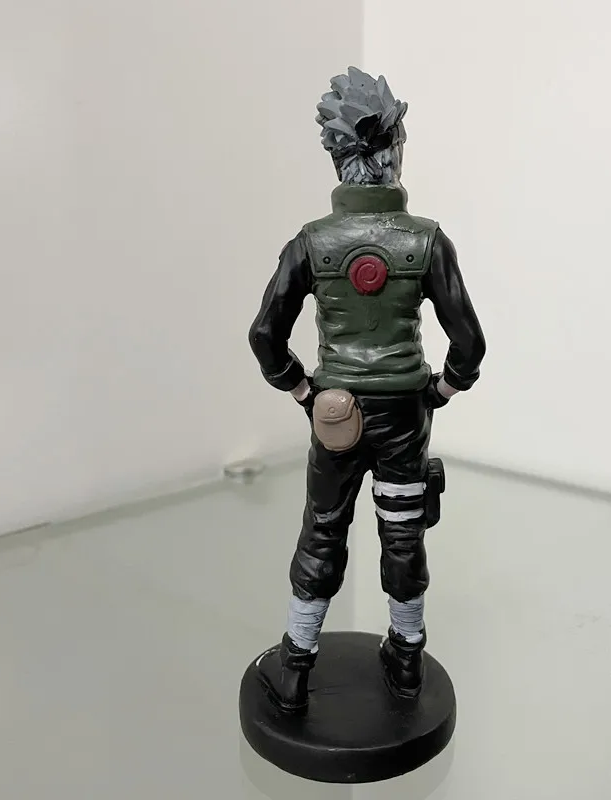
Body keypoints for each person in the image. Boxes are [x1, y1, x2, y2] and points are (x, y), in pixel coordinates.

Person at [248, 66, 486, 715]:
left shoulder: (312, 242)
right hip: (406, 415)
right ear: (394, 148)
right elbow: (469, 342)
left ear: (337, 156)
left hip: (336, 414)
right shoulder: (427, 240)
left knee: (323, 529)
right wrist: (440, 390)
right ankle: (406, 660)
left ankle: (295, 666)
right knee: (403, 532)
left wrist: (304, 393)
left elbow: (265, 335)